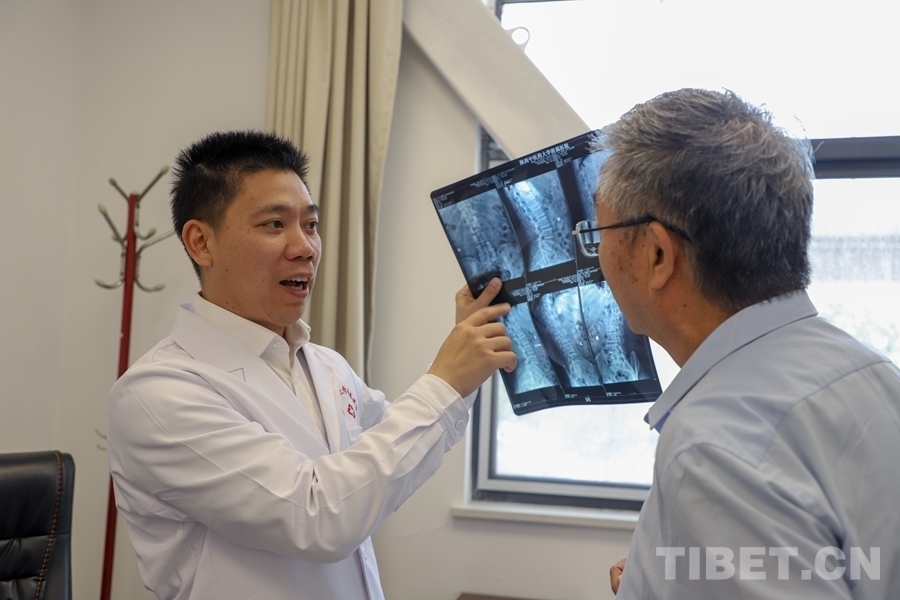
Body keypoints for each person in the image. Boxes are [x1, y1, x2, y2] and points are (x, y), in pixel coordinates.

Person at [107, 130, 516, 600]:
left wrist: (466, 356)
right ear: (201, 242)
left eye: (311, 224)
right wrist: (445, 382)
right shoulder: (158, 394)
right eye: (274, 224)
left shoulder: (325, 365)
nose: (305, 247)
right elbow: (318, 516)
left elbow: (386, 466)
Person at [584, 89, 900, 598]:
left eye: (598, 231)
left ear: (658, 255)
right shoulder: (873, 374)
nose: (597, 254)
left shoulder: (714, 446)